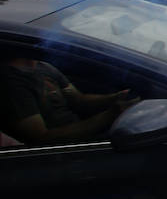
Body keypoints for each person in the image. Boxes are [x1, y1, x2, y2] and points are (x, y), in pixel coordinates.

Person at [0, 48, 138, 145]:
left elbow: (79, 100)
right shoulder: (11, 82)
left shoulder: (43, 67)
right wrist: (109, 116)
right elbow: (41, 138)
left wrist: (114, 98)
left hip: (84, 136)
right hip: (67, 151)